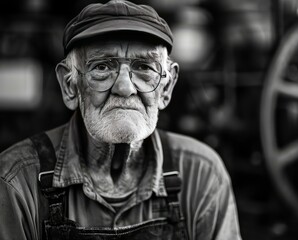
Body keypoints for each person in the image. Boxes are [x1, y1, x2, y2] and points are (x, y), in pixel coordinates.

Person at [0, 0, 241, 239]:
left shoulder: (200, 173)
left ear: (166, 88)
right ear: (70, 86)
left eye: (144, 67)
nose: (125, 87)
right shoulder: (16, 182)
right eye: (103, 67)